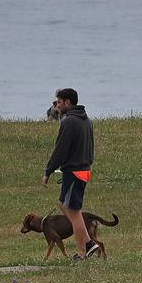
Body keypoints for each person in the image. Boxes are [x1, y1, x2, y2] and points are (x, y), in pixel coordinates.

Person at [41, 87, 101, 259]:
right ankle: (88, 244)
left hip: (74, 172)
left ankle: (84, 249)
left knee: (73, 212)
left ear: (68, 102)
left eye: (59, 102)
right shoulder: (86, 120)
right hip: (84, 169)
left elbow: (60, 150)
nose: (57, 106)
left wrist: (48, 171)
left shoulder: (69, 122)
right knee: (63, 205)